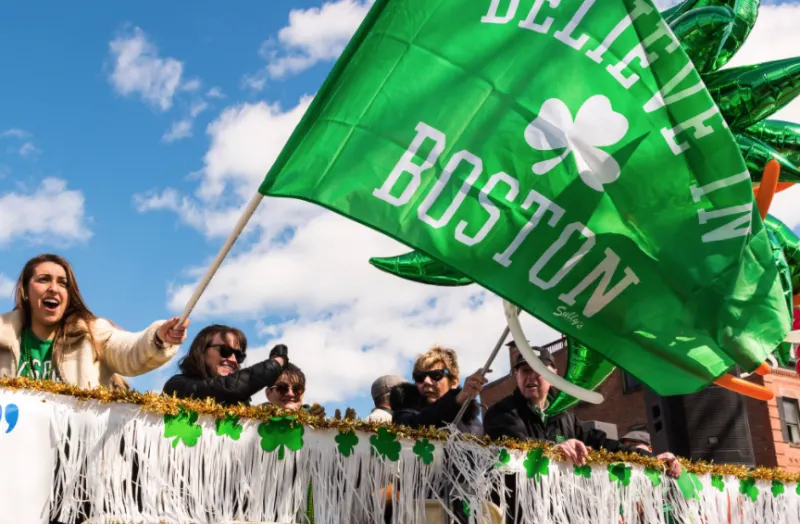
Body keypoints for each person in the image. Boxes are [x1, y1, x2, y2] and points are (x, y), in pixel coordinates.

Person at [0, 253, 188, 387]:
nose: (54, 288)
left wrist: (158, 337)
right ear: (25, 291)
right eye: (43, 280)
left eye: (62, 283)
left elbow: (129, 350)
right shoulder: (4, 335)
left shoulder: (91, 334)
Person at [484, 348, 681, 475]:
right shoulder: (501, 413)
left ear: (553, 374)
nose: (531, 377)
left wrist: (649, 458)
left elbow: (606, 445)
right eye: (524, 371)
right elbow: (515, 446)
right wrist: (554, 448)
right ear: (516, 376)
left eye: (538, 369)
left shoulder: (565, 416)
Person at [163, 325, 287, 406]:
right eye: (225, 351)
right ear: (202, 351)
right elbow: (228, 388)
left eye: (239, 355)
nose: (233, 360)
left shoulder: (241, 402)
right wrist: (275, 364)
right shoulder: (177, 386)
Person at [393, 346, 487, 435]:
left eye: (436, 375)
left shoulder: (474, 424)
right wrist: (455, 401)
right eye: (420, 377)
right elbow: (411, 427)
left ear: (454, 382)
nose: (426, 381)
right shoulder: (405, 413)